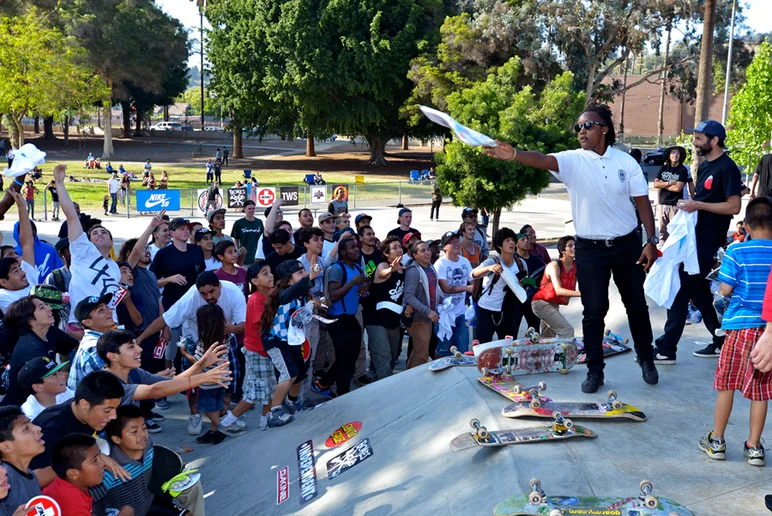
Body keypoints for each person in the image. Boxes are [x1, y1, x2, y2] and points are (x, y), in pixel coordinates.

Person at [482, 103, 659, 393]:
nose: (580, 131)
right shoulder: (573, 160)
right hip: (590, 249)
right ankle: (594, 371)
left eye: (587, 125)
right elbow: (542, 159)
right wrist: (514, 154)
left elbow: (642, 204)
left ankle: (646, 358)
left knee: (636, 305)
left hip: (627, 246)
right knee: (593, 312)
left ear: (603, 128)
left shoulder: (626, 163)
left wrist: (650, 242)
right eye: (577, 127)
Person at [654, 120, 743, 362]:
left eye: (699, 137)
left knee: (681, 287)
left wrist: (698, 205)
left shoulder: (727, 168)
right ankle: (721, 339)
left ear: (714, 141)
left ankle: (666, 348)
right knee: (698, 289)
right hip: (693, 238)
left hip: (708, 239)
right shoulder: (705, 166)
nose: (694, 141)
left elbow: (734, 206)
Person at [699, 197, 772, 466]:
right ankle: (754, 447)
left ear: (748, 225)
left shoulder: (736, 251)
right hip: (768, 334)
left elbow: (726, 289)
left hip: (739, 327)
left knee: (727, 385)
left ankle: (716, 440)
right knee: (761, 392)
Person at [93, 405, 205, 516]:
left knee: (191, 493)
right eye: (134, 431)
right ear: (116, 439)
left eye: (144, 428)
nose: (142, 434)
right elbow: (90, 501)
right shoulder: (108, 470)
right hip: (126, 513)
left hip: (150, 505)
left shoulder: (149, 448)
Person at [31, 371, 127, 488]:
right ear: (84, 404)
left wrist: (98, 456)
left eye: (116, 409)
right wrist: (84, 460)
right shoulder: (51, 428)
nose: (114, 416)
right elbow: (34, 480)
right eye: (107, 410)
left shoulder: (92, 418)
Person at [54, 165, 122, 326]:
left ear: (112, 243)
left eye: (104, 232)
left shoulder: (115, 268)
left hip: (110, 327)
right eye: (95, 233)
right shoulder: (83, 250)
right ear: (88, 240)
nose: (99, 234)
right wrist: (59, 184)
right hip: (81, 325)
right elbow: (71, 216)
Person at [260, 260, 319, 425]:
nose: (304, 274)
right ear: (287, 280)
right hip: (276, 341)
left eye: (304, 270)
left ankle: (292, 401)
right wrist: (309, 279)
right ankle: (274, 412)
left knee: (300, 373)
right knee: (288, 374)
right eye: (299, 272)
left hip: (292, 340)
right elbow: (287, 296)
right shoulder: (284, 293)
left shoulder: (301, 295)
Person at [220, 261, 277, 431]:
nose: (271, 275)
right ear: (254, 281)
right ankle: (227, 422)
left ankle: (264, 421)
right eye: (265, 273)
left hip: (264, 351)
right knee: (256, 393)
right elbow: (264, 324)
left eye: (270, 272)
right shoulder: (255, 300)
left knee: (269, 389)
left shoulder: (270, 295)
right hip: (258, 352)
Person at [314, 238, 368, 395]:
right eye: (352, 247)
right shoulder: (336, 270)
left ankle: (323, 384)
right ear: (343, 252)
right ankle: (342, 393)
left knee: (351, 356)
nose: (356, 250)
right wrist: (352, 283)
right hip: (337, 319)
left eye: (356, 247)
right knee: (345, 359)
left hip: (350, 317)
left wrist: (365, 285)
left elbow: (366, 281)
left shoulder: (357, 267)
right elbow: (333, 295)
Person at [43, 433, 131, 516]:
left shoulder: (65, 484)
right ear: (73, 474)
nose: (103, 463)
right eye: (95, 460)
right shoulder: (74, 504)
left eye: (100, 455)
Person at [472, 227, 525, 343]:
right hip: (486, 309)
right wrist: (489, 268)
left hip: (508, 311)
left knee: (508, 349)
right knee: (483, 348)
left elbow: (523, 286)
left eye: (512, 240)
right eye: (507, 240)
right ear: (499, 245)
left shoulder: (521, 264)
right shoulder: (492, 261)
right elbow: (474, 274)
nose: (511, 243)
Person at [367, 237, 406, 380]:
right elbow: (381, 274)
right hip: (376, 320)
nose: (399, 249)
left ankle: (377, 376)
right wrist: (391, 269)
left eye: (400, 246)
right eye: (394, 247)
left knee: (393, 356)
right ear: (386, 253)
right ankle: (383, 390)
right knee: (383, 355)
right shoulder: (383, 266)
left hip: (393, 321)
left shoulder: (403, 268)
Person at [531, 236, 580, 338]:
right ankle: (565, 353)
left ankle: (544, 353)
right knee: (567, 330)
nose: (574, 247)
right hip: (541, 303)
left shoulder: (575, 266)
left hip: (554, 304)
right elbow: (558, 290)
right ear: (563, 250)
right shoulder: (555, 265)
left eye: (575, 245)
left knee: (548, 337)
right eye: (570, 246)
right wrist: (582, 294)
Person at [433, 230, 472, 356]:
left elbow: (472, 280)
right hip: (444, 314)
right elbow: (445, 288)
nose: (456, 244)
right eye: (452, 242)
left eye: (457, 241)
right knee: (444, 351)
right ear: (444, 247)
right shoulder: (440, 264)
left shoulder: (465, 261)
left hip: (461, 313)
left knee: (463, 351)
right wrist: (466, 288)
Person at [67, 294, 118, 390]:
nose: (109, 311)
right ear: (87, 322)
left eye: (106, 307)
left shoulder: (101, 340)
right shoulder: (94, 347)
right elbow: (110, 387)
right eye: (101, 310)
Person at [0, 407, 45, 514]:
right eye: (26, 428)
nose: (37, 428)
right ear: (6, 447)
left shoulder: (30, 474)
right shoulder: (4, 480)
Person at [403, 240, 438, 368]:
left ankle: (407, 380)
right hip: (418, 319)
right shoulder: (413, 271)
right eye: (423, 251)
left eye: (428, 249)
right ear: (415, 255)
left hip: (427, 319)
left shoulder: (430, 267)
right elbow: (409, 296)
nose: (428, 252)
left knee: (417, 352)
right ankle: (413, 384)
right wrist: (428, 311)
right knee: (422, 355)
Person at [0, 192, 38, 313]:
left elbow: (27, 244)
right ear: (4, 282)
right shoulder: (3, 297)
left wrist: (22, 206)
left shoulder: (29, 278)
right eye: (15, 271)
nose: (23, 273)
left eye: (19, 268)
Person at [19, 356, 72, 421]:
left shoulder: (65, 393)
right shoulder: (30, 415)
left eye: (59, 371)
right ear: (37, 387)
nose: (62, 376)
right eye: (54, 375)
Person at [653, 146, 689, 242]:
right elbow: (656, 184)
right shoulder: (664, 168)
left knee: (674, 232)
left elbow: (678, 188)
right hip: (663, 204)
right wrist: (669, 183)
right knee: (662, 232)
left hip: (675, 205)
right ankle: (661, 252)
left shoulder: (682, 170)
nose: (675, 155)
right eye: (673, 153)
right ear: (669, 156)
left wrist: (663, 184)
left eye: (677, 153)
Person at [515, 229, 546, 332]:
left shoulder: (536, 259)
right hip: (516, 301)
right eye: (522, 239)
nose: (526, 241)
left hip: (532, 300)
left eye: (527, 239)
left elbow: (545, 275)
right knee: (512, 331)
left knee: (534, 330)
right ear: (516, 244)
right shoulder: (513, 259)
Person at [231, 200, 264, 265]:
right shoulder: (238, 223)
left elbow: (263, 238)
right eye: (249, 208)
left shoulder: (259, 222)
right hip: (245, 258)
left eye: (253, 208)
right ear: (244, 209)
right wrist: (238, 253)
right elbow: (236, 239)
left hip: (257, 256)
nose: (251, 210)